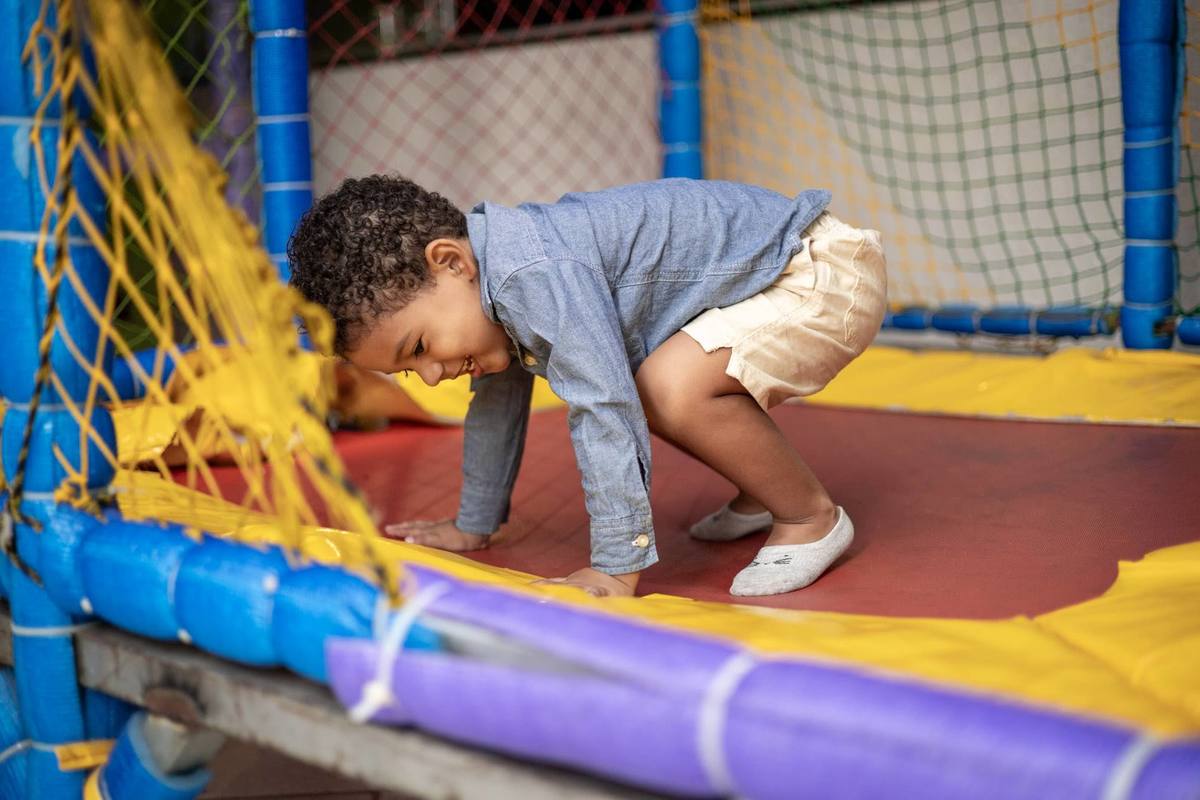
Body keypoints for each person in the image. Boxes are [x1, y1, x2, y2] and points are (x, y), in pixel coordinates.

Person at [287, 175, 887, 598]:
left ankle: (811, 517)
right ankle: (761, 488)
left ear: (450, 262)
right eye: (409, 373)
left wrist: (614, 567)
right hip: (776, 274)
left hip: (817, 272)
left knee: (662, 387)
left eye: (418, 349)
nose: (432, 375)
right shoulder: (493, 282)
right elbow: (496, 405)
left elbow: (605, 407)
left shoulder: (532, 273)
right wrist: (475, 521)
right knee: (658, 378)